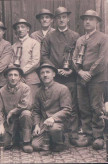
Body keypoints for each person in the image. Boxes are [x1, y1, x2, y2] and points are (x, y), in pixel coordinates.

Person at [41, 6, 80, 146]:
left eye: (64, 17)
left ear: (68, 18)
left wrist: (72, 71)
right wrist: (53, 70)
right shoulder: (49, 36)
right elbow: (44, 55)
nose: (61, 20)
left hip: (70, 77)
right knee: (56, 107)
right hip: (54, 78)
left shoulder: (75, 36)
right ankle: (59, 135)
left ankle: (73, 135)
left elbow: (79, 57)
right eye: (59, 17)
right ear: (55, 20)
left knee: (72, 106)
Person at [72, 10, 108, 150]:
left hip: (97, 78)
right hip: (81, 78)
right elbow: (74, 58)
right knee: (84, 107)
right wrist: (80, 72)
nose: (87, 22)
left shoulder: (103, 38)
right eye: (86, 19)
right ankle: (87, 135)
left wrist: (90, 73)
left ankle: (98, 137)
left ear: (97, 22)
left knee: (96, 107)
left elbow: (102, 59)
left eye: (91, 19)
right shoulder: (80, 39)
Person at [32, 63, 72, 152]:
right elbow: (36, 111)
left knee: (54, 129)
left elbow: (67, 109)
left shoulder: (62, 89)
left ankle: (60, 142)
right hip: (44, 123)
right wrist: (37, 125)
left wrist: (53, 118)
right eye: (42, 73)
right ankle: (49, 139)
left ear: (53, 74)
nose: (45, 75)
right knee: (35, 146)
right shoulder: (38, 91)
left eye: (48, 72)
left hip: (59, 122)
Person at [0, 64, 33, 153]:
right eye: (10, 75)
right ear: (6, 77)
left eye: (15, 75)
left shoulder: (25, 88)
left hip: (22, 119)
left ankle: (26, 142)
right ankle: (15, 138)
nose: (13, 78)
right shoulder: (2, 91)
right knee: (4, 144)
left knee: (26, 113)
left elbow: (26, 104)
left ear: (19, 77)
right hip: (9, 121)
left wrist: (12, 111)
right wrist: (0, 125)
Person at [12, 18, 40, 103]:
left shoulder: (34, 43)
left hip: (31, 79)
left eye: (22, 27)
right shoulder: (13, 46)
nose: (20, 29)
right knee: (18, 103)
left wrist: (21, 72)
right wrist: (16, 75)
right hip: (16, 80)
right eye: (18, 27)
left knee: (31, 103)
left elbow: (35, 62)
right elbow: (11, 63)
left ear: (27, 29)